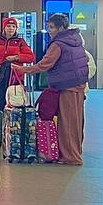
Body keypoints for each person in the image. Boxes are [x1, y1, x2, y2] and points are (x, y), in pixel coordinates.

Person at [20, 13, 89, 166]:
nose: (49, 30)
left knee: (67, 123)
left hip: (66, 86)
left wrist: (24, 70)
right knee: (76, 122)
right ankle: (76, 152)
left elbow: (45, 64)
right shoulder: (76, 40)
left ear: (61, 28)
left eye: (51, 27)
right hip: (79, 85)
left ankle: (70, 157)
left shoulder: (58, 44)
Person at [0, 18, 35, 112]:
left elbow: (31, 57)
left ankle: (14, 120)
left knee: (15, 102)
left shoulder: (20, 42)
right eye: (8, 26)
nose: (11, 28)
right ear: (4, 27)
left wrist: (16, 57)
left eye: (13, 26)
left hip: (15, 78)